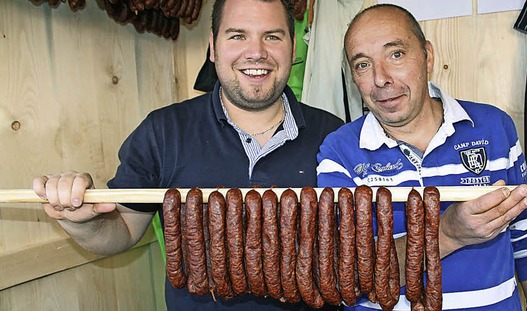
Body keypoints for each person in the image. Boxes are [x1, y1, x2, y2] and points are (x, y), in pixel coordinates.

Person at [32, 0, 343, 310]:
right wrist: (80, 221)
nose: (256, 51)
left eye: (272, 36)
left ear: (292, 49)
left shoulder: (334, 135)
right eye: (237, 36)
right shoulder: (163, 131)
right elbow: (122, 231)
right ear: (213, 47)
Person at [316, 4, 527, 311]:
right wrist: (448, 233)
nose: (380, 79)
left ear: (428, 56)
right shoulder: (339, 151)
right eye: (363, 65)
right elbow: (345, 273)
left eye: (396, 54)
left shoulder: (494, 127)